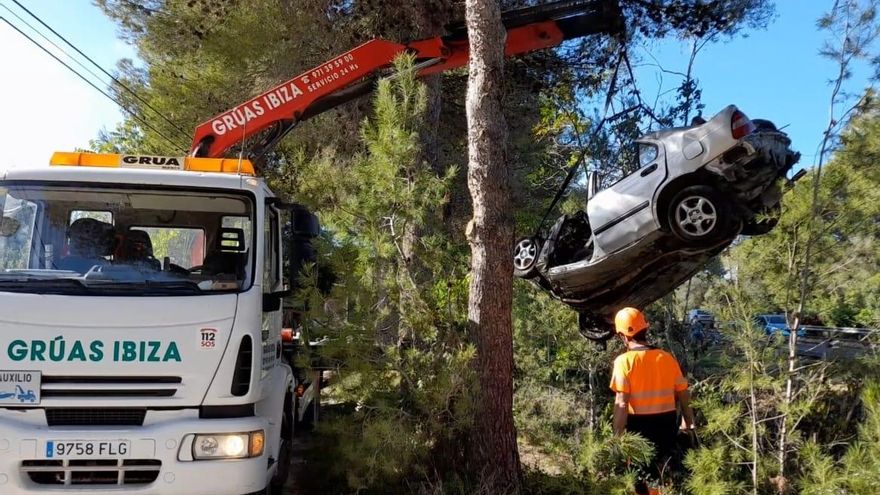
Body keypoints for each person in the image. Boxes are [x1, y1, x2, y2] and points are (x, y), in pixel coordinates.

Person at [610, 307, 695, 493]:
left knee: (641, 482)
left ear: (623, 336)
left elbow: (621, 403)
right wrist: (688, 424)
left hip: (638, 430)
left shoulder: (623, 362)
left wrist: (616, 438)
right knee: (663, 478)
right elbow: (684, 395)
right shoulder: (666, 358)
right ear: (644, 329)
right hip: (666, 427)